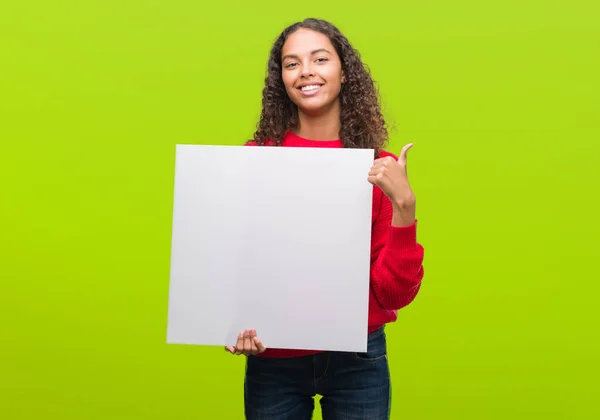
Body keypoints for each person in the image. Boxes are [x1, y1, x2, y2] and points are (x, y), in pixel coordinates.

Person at [224, 18, 425, 420]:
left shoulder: (379, 167)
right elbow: (233, 258)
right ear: (281, 78)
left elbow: (394, 295)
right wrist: (228, 324)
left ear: (344, 71)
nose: (306, 72)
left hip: (358, 360)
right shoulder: (256, 158)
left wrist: (405, 208)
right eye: (292, 63)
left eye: (320, 59)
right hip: (273, 360)